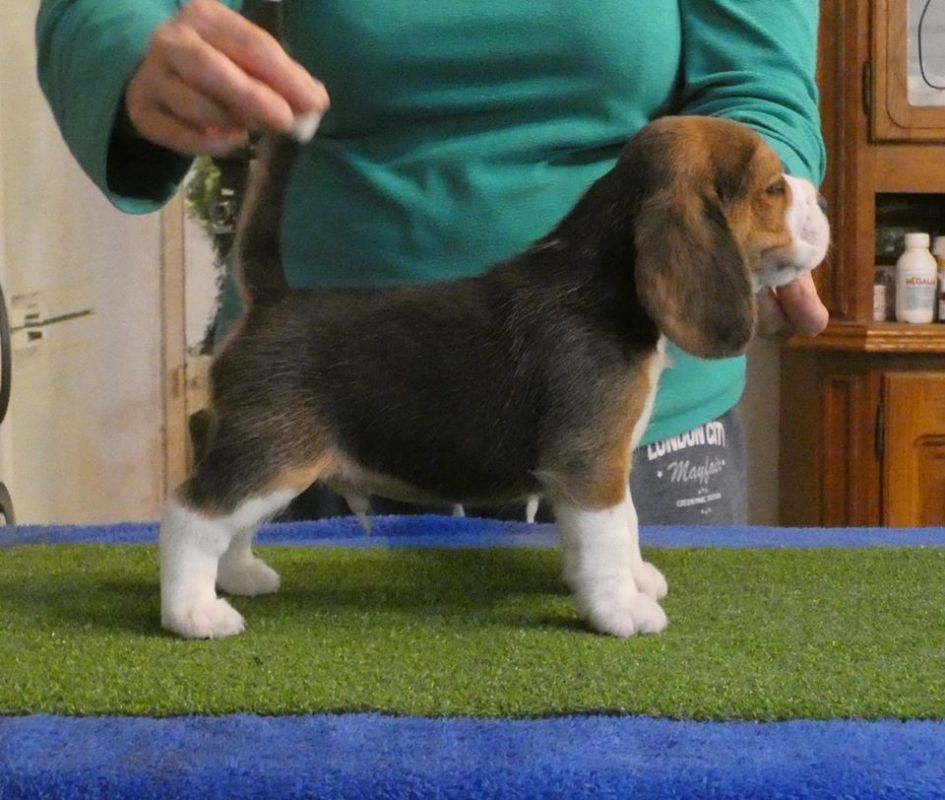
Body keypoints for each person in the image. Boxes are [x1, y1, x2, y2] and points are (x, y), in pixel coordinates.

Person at [36, 0, 829, 524]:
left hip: (638, 422)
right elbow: (99, 9)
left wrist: (761, 207)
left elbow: (757, 82)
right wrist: (133, 52)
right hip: (335, 384)